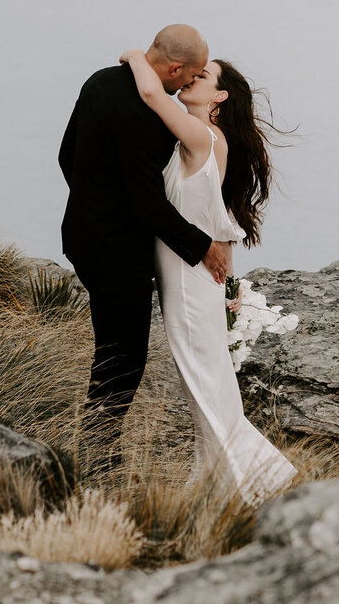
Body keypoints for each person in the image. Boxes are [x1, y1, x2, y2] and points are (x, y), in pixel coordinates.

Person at [119, 47, 297, 504]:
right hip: (190, 279)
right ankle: (214, 495)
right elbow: (216, 218)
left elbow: (148, 90)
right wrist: (230, 282)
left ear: (218, 96)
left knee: (204, 388)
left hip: (187, 281)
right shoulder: (204, 139)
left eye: (204, 76)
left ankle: (263, 488)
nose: (193, 78)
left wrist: (136, 55)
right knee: (206, 388)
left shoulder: (204, 136)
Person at [59, 25, 230, 474]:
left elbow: (66, 154)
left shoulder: (98, 81)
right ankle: (97, 457)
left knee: (111, 347)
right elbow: (148, 204)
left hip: (81, 237)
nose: (185, 86)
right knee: (123, 356)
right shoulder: (149, 115)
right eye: (187, 77)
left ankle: (96, 449)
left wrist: (93, 201)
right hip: (120, 255)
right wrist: (203, 247)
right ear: (174, 69)